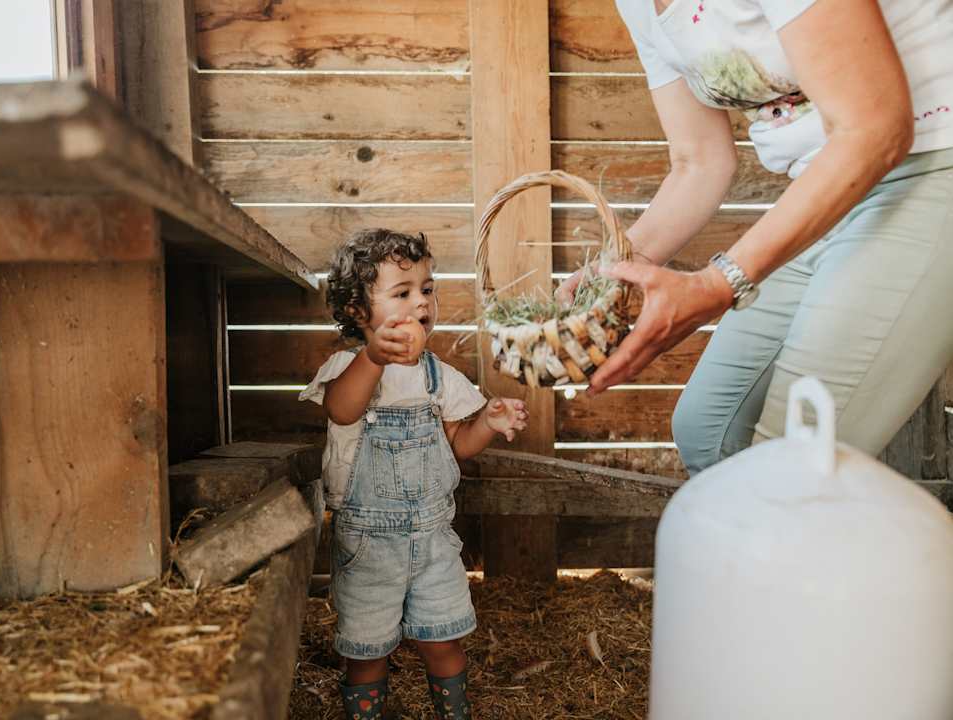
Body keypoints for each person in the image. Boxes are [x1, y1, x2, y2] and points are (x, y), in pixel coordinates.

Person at [558, 0, 953, 475]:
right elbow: (699, 161)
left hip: (931, 162)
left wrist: (718, 283)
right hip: (828, 189)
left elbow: (874, 131)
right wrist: (614, 272)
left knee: (790, 463)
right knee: (711, 434)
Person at [300, 228, 529, 719]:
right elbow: (342, 410)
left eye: (427, 289)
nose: (421, 302)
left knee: (444, 642)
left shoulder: (438, 376)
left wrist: (487, 424)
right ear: (359, 312)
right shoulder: (348, 367)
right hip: (367, 547)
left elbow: (456, 446)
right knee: (366, 653)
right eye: (402, 293)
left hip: (433, 542)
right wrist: (374, 357)